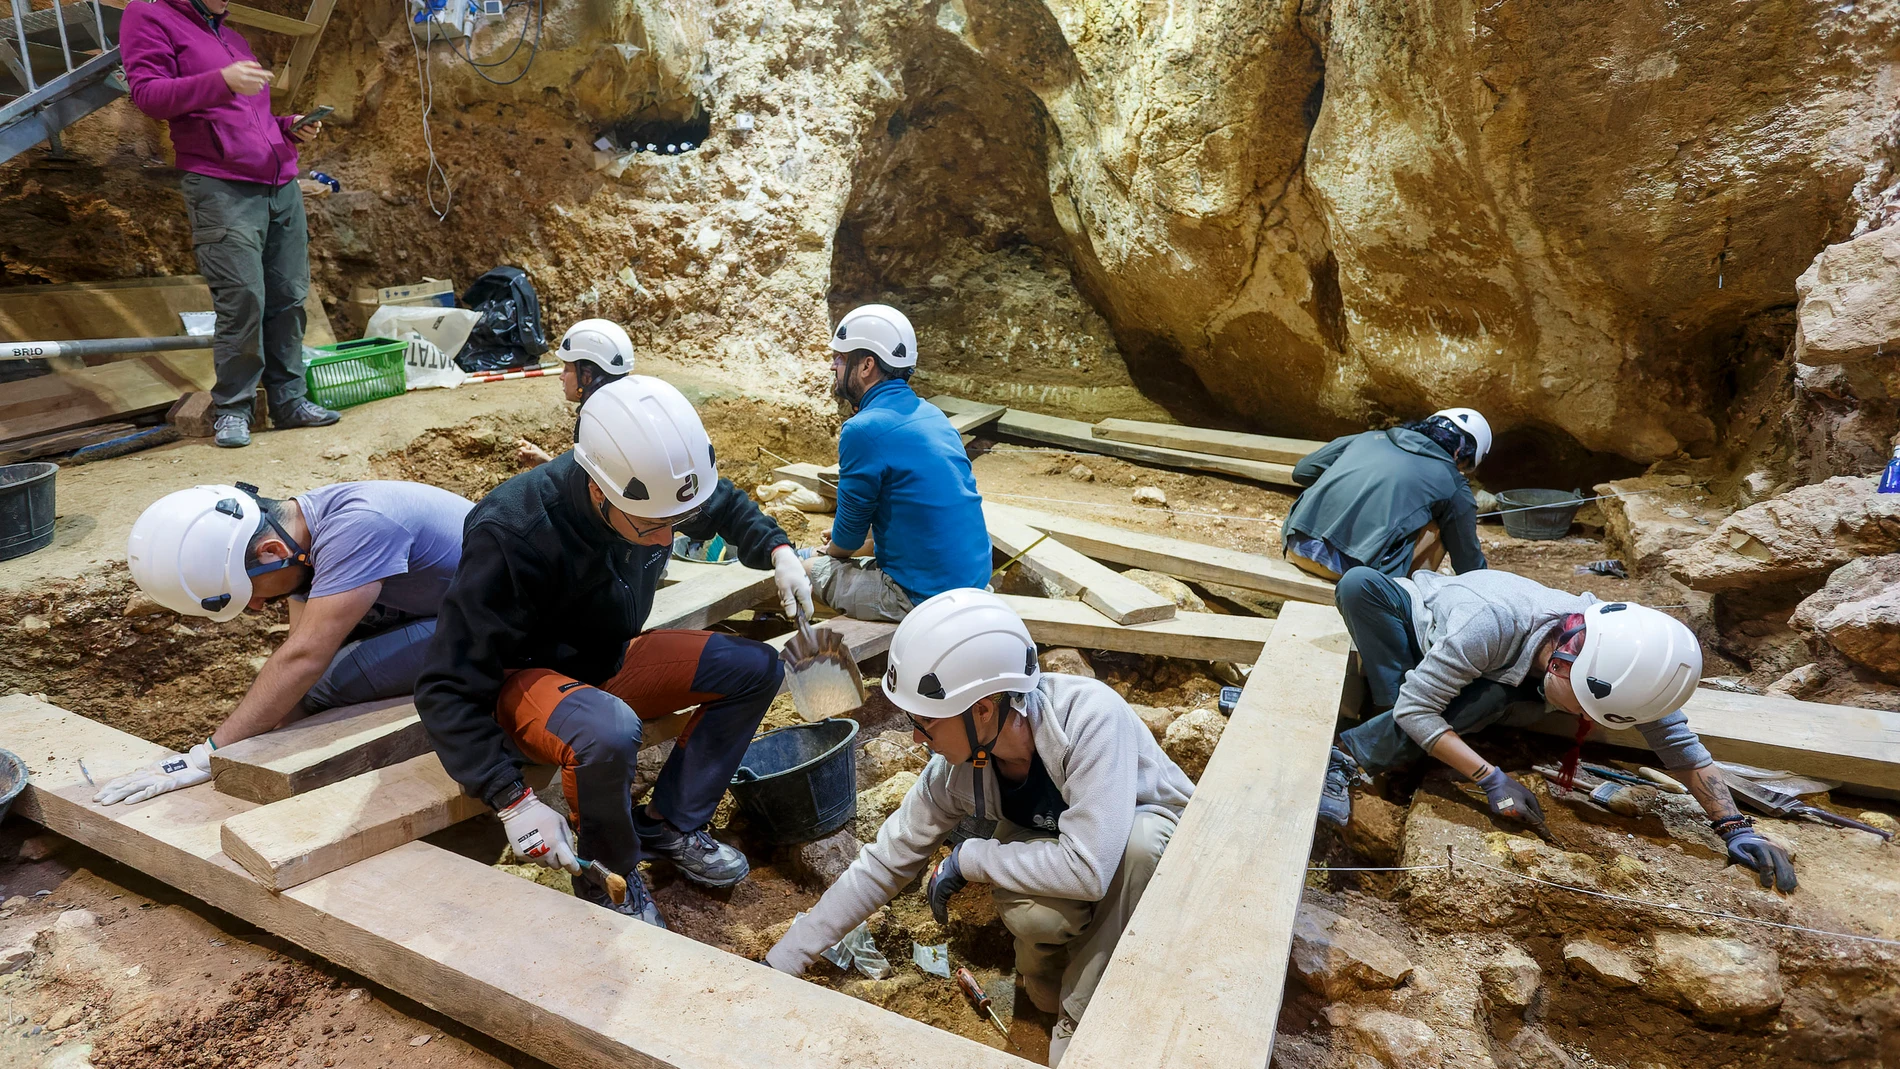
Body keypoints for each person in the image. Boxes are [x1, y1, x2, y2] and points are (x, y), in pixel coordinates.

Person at [414, 375, 816, 926]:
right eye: (650, 527)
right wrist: (513, 800)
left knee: (756, 667)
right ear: (599, 489)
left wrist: (778, 549)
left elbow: (718, 503)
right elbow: (444, 685)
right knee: (608, 731)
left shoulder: (651, 490)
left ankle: (670, 823)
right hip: (524, 683)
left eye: (674, 523)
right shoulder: (513, 531)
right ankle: (612, 880)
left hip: (605, 657)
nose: (664, 540)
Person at [766, 589, 1193, 1064]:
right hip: (1067, 848)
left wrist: (971, 858)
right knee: (1037, 921)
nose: (915, 735)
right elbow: (885, 860)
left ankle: (1083, 1009)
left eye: (925, 721)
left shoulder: (1091, 719)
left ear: (984, 709)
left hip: (1145, 854)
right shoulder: (961, 764)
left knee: (1140, 848)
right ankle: (1050, 980)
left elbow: (1090, 870)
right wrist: (791, 953)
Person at [1317, 566, 1797, 893]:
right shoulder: (1487, 625)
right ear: (1564, 665)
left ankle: (1395, 736)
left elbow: (1677, 744)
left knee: (1489, 698)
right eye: (1586, 709)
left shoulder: (1628, 654)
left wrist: (1733, 826)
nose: (1586, 720)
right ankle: (1346, 754)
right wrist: (1490, 777)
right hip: (1418, 621)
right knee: (1452, 700)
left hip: (1502, 664)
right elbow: (1418, 710)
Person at [95, 480, 473, 805]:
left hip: (510, 623)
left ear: (272, 552)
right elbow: (297, 647)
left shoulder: (357, 528)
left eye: (250, 591)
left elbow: (305, 659)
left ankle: (462, 700)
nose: (257, 606)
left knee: (323, 688)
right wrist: (275, 744)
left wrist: (201, 758)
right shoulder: (304, 527)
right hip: (452, 604)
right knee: (300, 686)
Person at [119, 0, 340, 449]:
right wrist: (220, 80)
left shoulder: (232, 37)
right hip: (221, 185)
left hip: (279, 183)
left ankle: (289, 402)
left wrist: (286, 126)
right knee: (243, 299)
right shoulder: (149, 13)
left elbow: (247, 120)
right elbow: (148, 94)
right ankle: (234, 409)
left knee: (289, 297)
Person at [810, 304, 991, 622]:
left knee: (801, 566)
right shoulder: (931, 414)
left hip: (922, 598)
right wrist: (865, 545)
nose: (833, 366)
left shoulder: (862, 430)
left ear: (866, 365)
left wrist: (832, 551)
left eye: (840, 357)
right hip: (972, 584)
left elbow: (846, 539)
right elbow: (917, 517)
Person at [1281, 408, 1492, 581]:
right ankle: (1400, 601)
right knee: (1441, 525)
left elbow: (1303, 472)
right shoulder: (1453, 482)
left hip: (1296, 546)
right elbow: (1468, 565)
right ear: (1461, 456)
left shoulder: (1369, 437)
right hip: (1354, 576)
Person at [515, 319, 635, 467]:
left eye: (567, 369)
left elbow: (589, 485)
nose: (561, 377)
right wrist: (547, 464)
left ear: (587, 376)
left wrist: (548, 470)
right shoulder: (619, 414)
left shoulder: (601, 429)